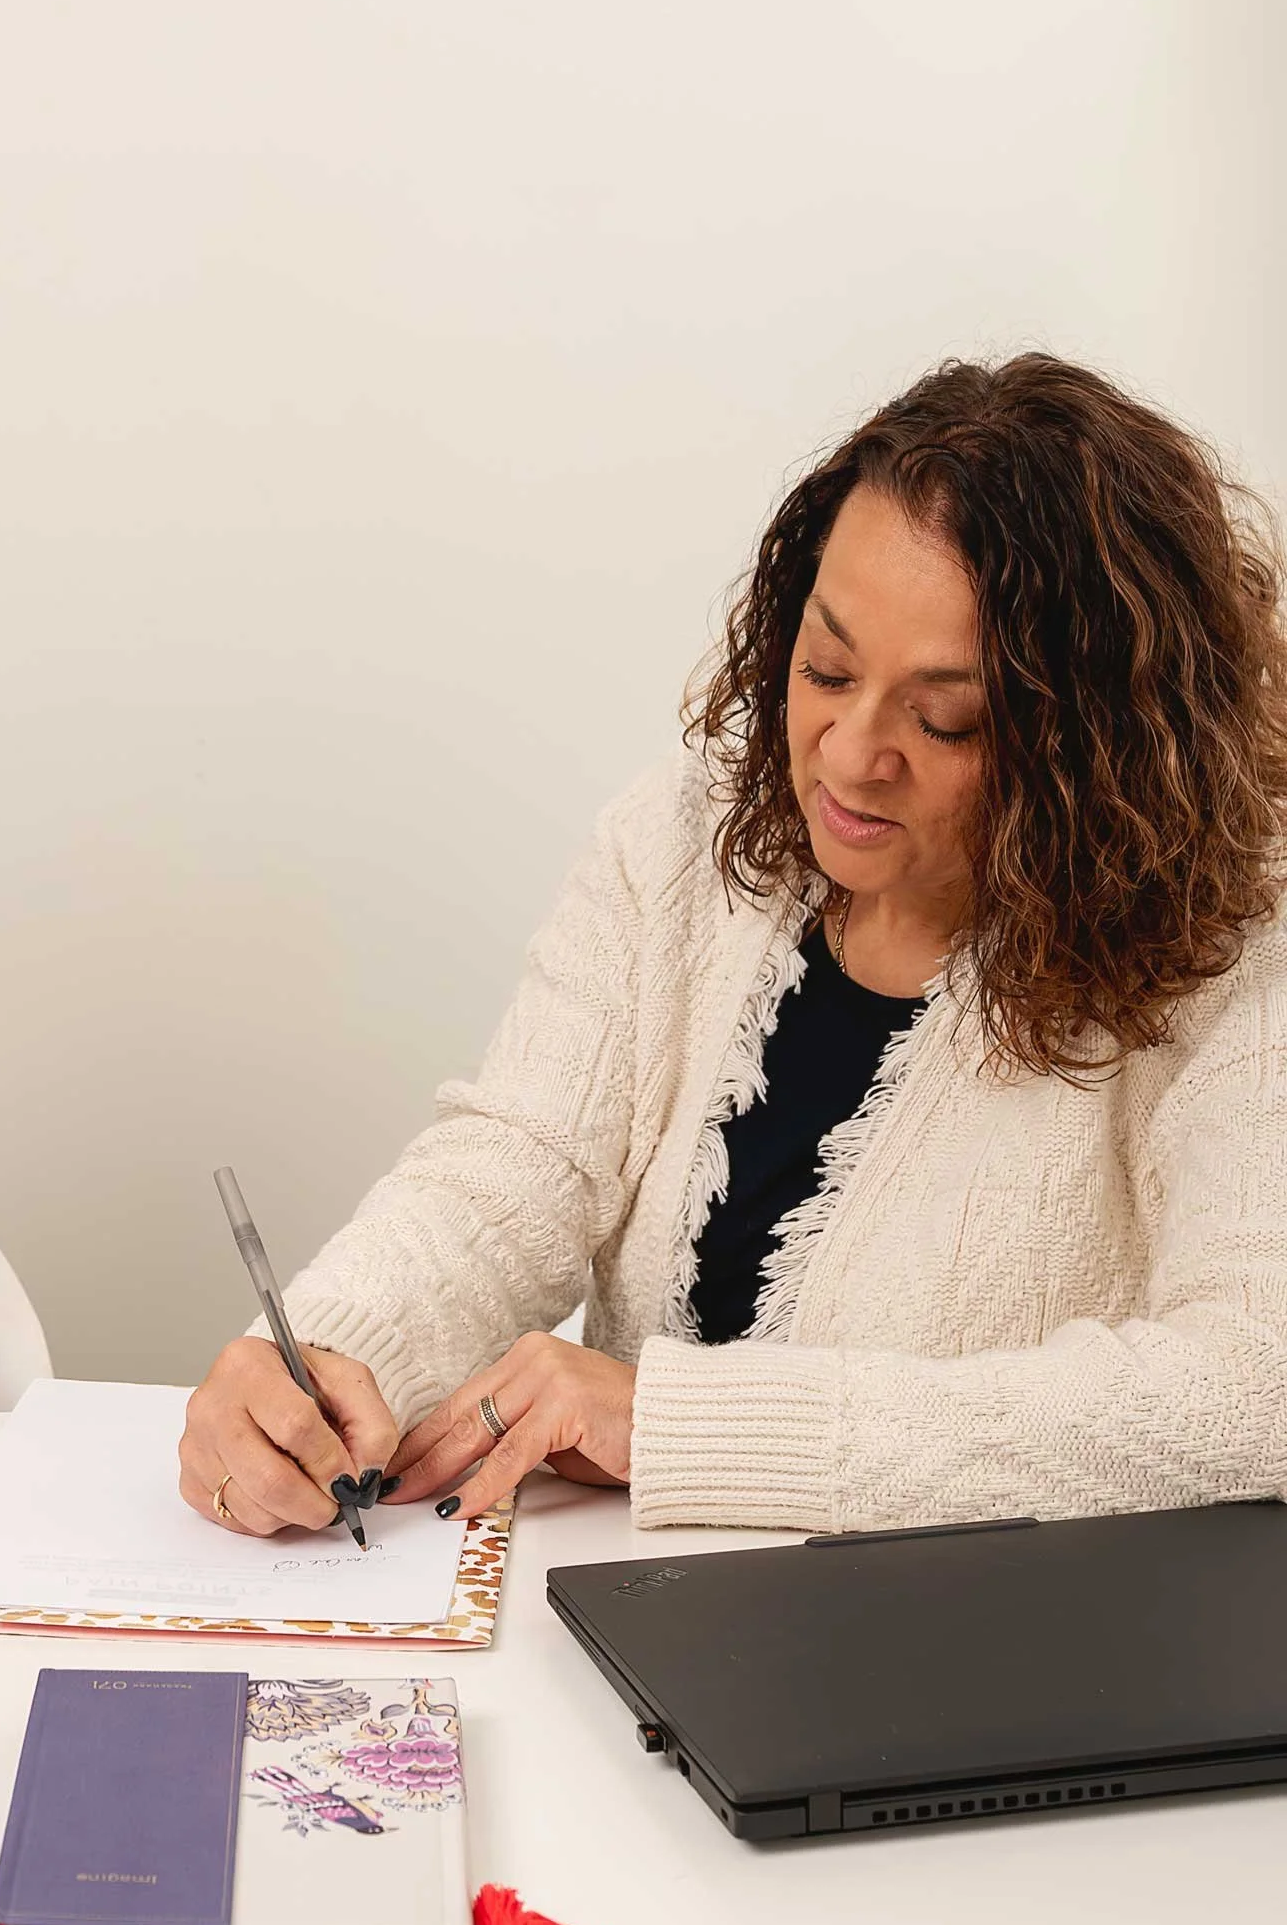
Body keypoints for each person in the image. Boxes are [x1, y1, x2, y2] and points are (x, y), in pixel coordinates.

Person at [182, 355, 1287, 1539]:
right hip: (624, 1630)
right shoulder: (689, 833)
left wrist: (672, 1423)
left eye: (944, 717)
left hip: (985, 1671)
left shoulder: (1232, 943)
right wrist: (327, 1350)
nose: (850, 754)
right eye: (824, 667)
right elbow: (513, 1168)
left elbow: (1250, 1391)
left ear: (1096, 748)